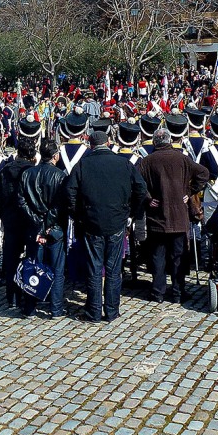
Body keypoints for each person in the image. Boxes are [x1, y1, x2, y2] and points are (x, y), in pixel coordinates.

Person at [64, 130, 150, 322]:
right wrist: (131, 214)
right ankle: (111, 311)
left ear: (91, 145)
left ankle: (93, 311)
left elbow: (69, 192)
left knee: (94, 269)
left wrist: (79, 215)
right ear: (109, 142)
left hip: (91, 222)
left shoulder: (83, 164)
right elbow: (141, 189)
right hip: (117, 221)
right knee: (113, 269)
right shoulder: (124, 163)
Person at [137, 126, 210, 303]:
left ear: (154, 142)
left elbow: (136, 182)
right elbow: (204, 173)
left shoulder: (147, 161)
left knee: (158, 257)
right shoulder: (182, 158)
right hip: (178, 215)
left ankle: (158, 293)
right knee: (179, 257)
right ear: (170, 141)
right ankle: (178, 292)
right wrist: (189, 190)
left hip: (157, 215)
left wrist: (148, 198)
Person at [17, 139, 68, 318]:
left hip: (34, 228)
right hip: (53, 229)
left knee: (33, 267)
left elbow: (21, 202)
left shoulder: (27, 173)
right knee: (56, 270)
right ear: (55, 156)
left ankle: (30, 308)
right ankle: (56, 309)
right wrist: (45, 226)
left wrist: (38, 224)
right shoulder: (60, 176)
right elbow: (60, 206)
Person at [0, 136, 38, 309]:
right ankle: (29, 293)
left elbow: (1, 195)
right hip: (28, 219)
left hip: (10, 218)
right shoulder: (32, 171)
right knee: (31, 258)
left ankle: (12, 295)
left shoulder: (6, 170)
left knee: (11, 259)